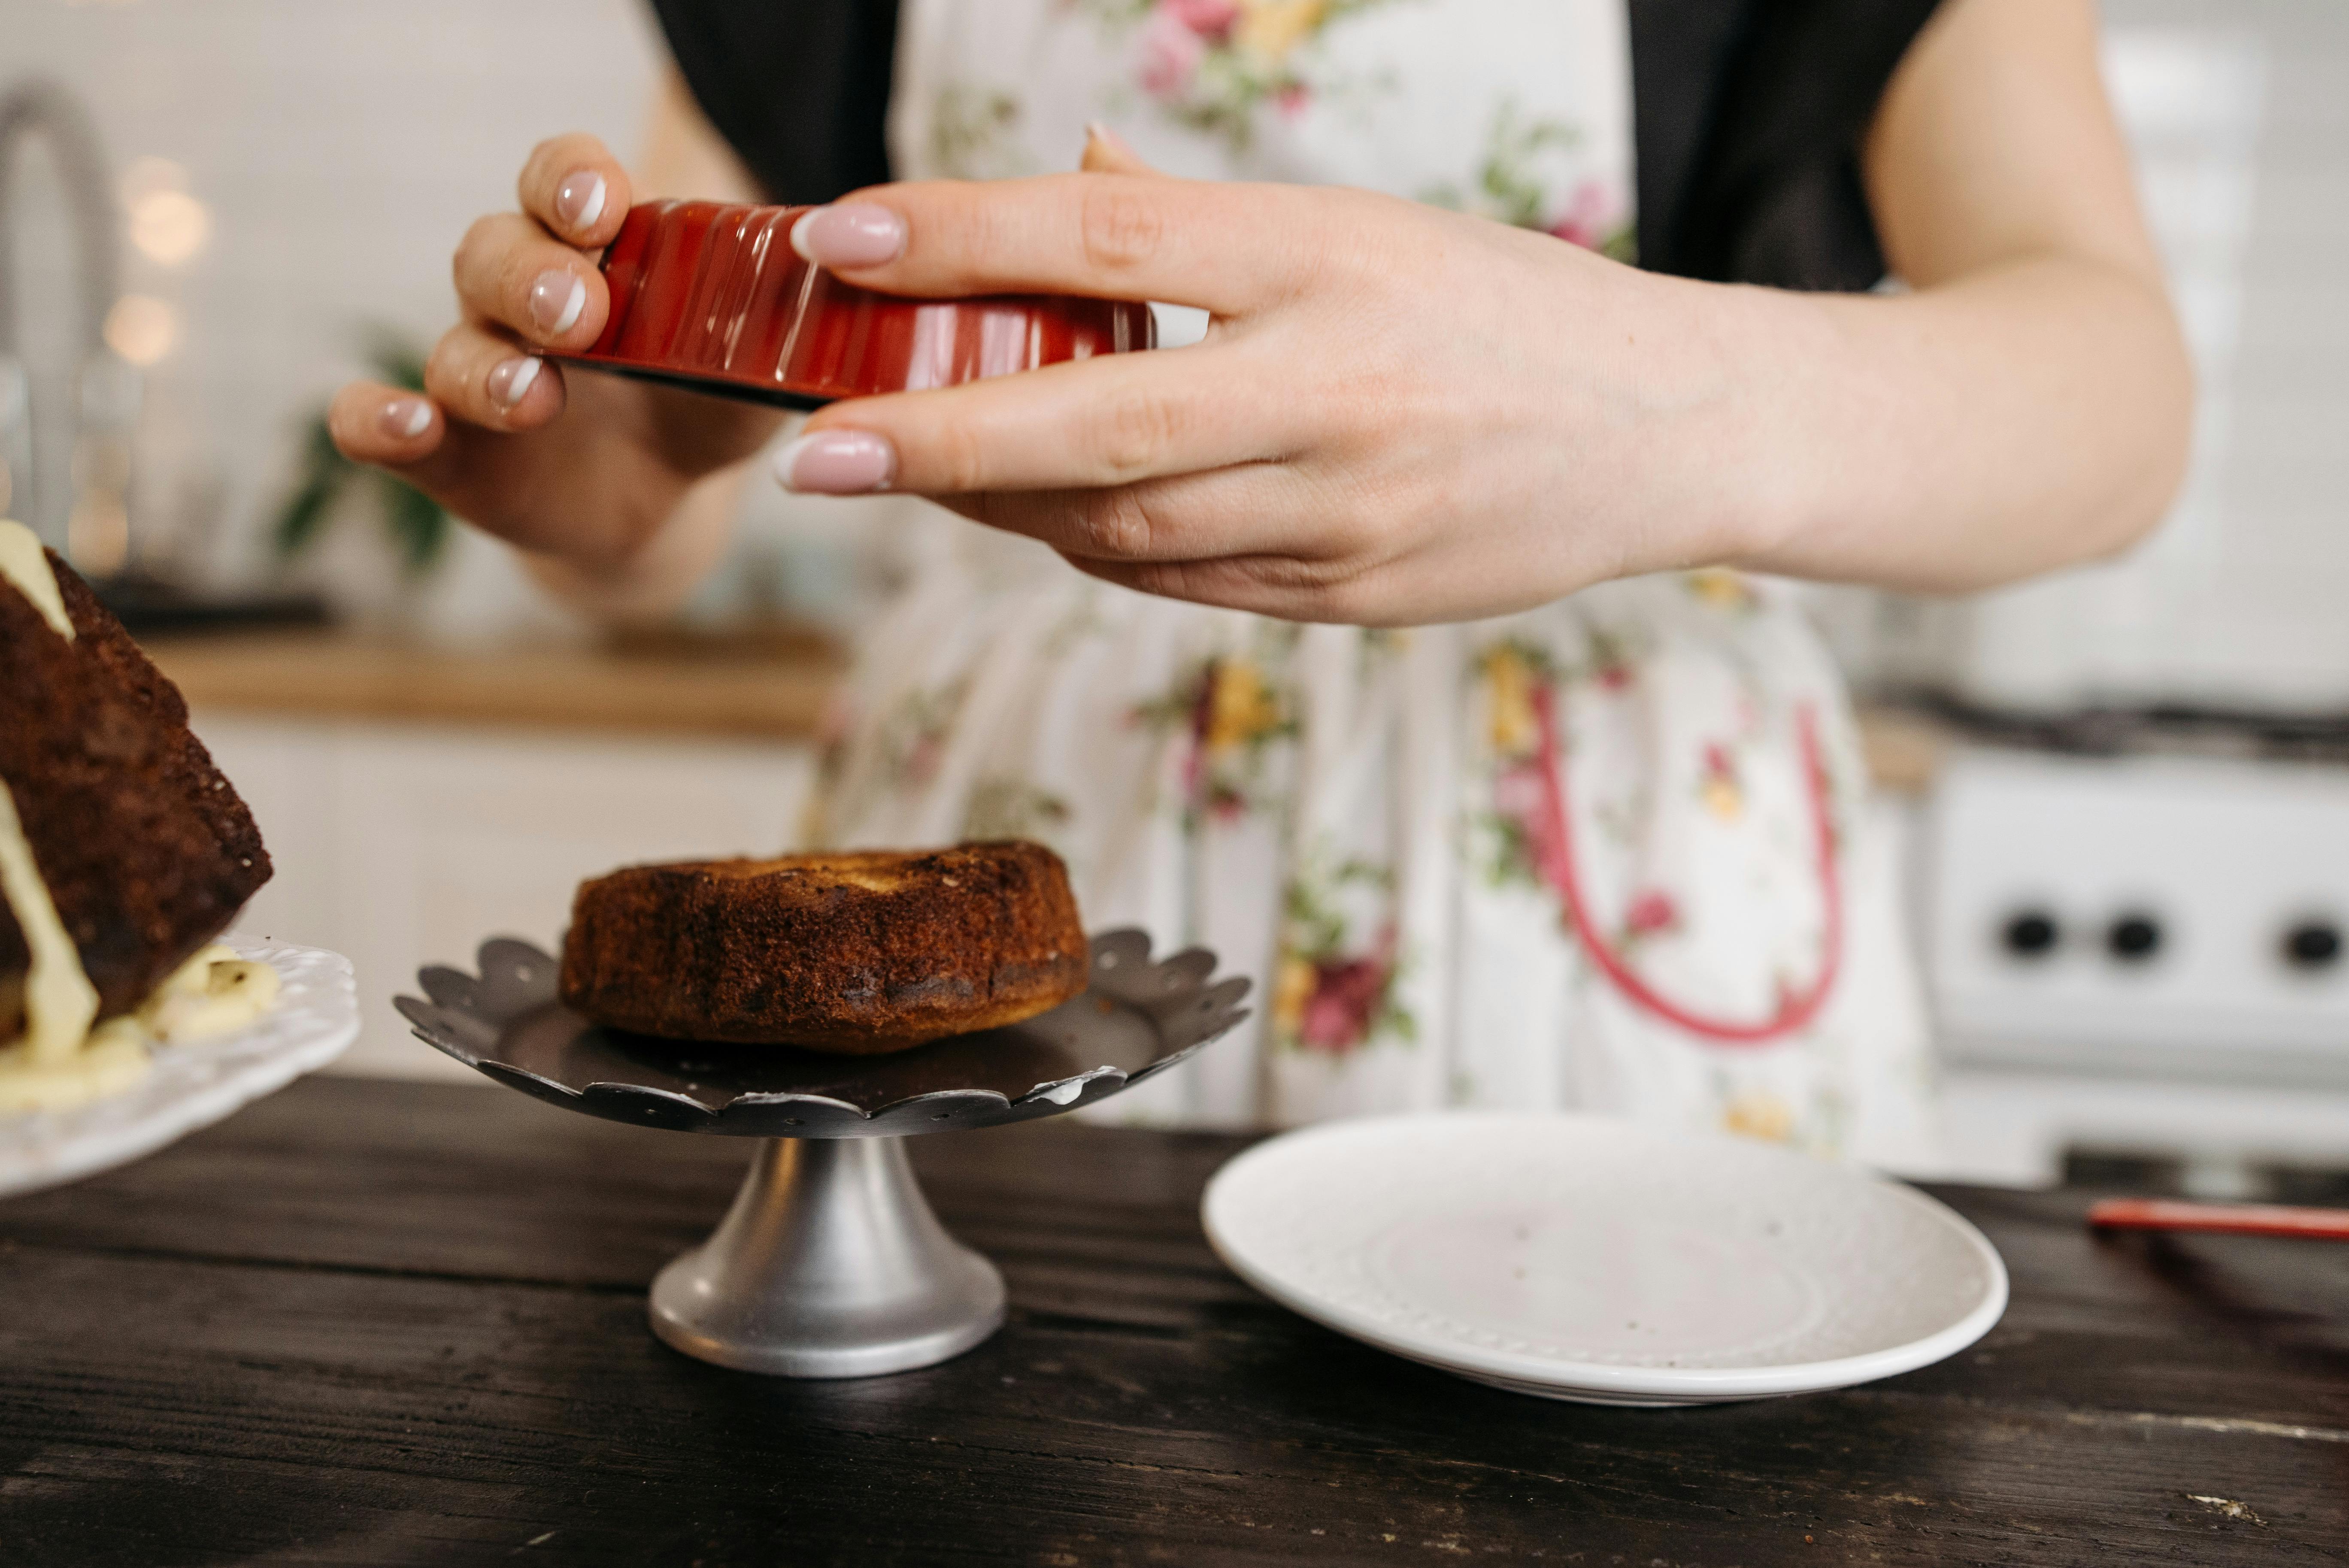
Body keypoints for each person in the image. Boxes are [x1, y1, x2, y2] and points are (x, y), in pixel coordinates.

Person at [328, 0, 2189, 1165]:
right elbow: (668, 492)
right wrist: (610, 470)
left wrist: (1642, 402)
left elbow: (2119, 397)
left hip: (1619, 897)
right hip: (1016, 898)